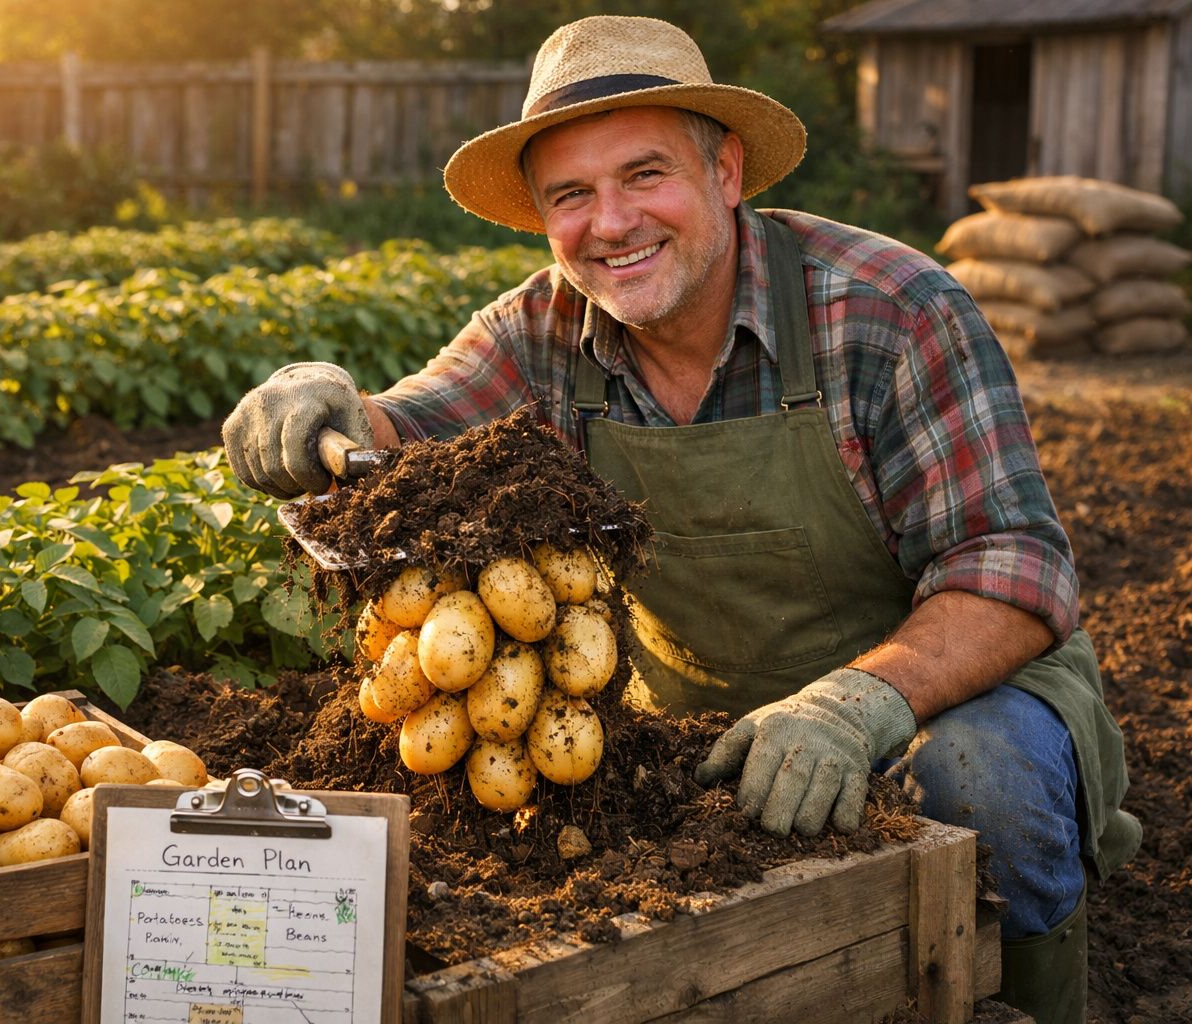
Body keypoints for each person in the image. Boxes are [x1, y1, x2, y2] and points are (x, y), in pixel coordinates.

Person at [221, 16, 1138, 1023]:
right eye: (572, 194)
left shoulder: (890, 311)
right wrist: (331, 409)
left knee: (988, 779)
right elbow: (420, 428)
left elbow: (1012, 568)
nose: (610, 222)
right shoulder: (541, 334)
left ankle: (1046, 993)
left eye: (644, 174)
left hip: (931, 697)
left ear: (728, 171)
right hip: (708, 728)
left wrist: (853, 706)